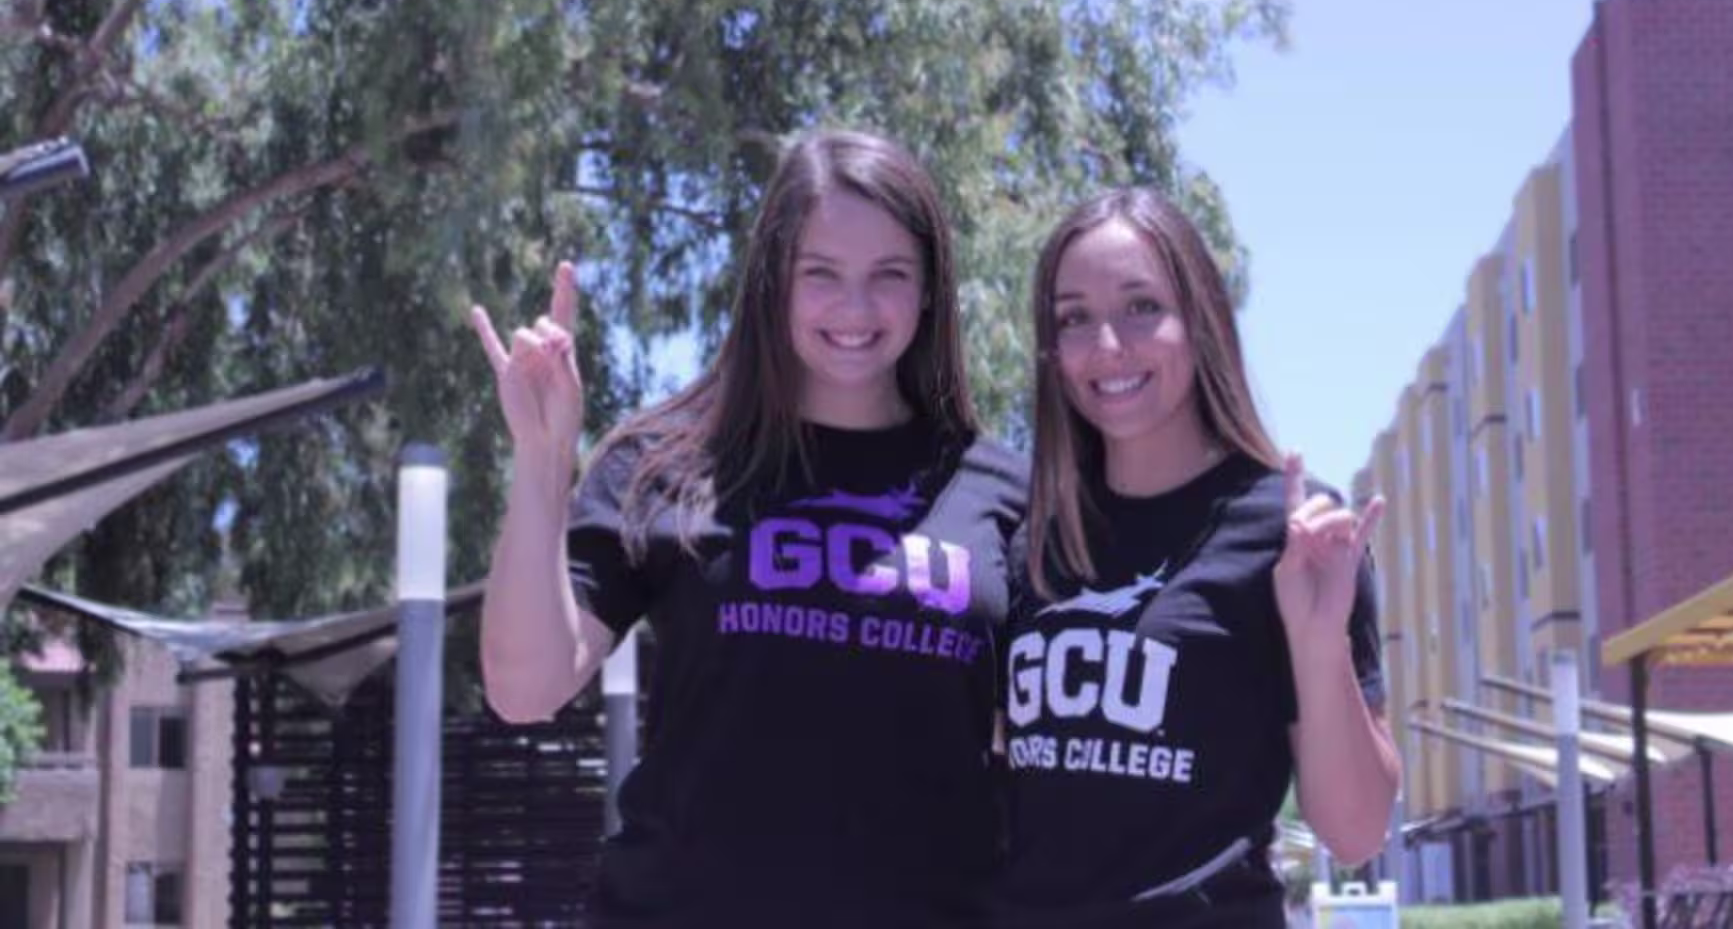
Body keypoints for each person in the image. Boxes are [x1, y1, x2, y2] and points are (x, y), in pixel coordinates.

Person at [471, 129, 1026, 928]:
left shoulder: (1007, 493)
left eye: (890, 276)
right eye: (821, 274)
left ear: (932, 289)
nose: (856, 308)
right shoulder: (663, 464)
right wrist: (543, 454)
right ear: (774, 280)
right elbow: (525, 689)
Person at [996, 187, 1400, 929]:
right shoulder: (1032, 539)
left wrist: (1317, 640)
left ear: (1202, 319)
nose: (1108, 346)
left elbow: (1355, 832)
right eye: (1075, 318)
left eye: (1141, 306)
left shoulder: (1290, 532)